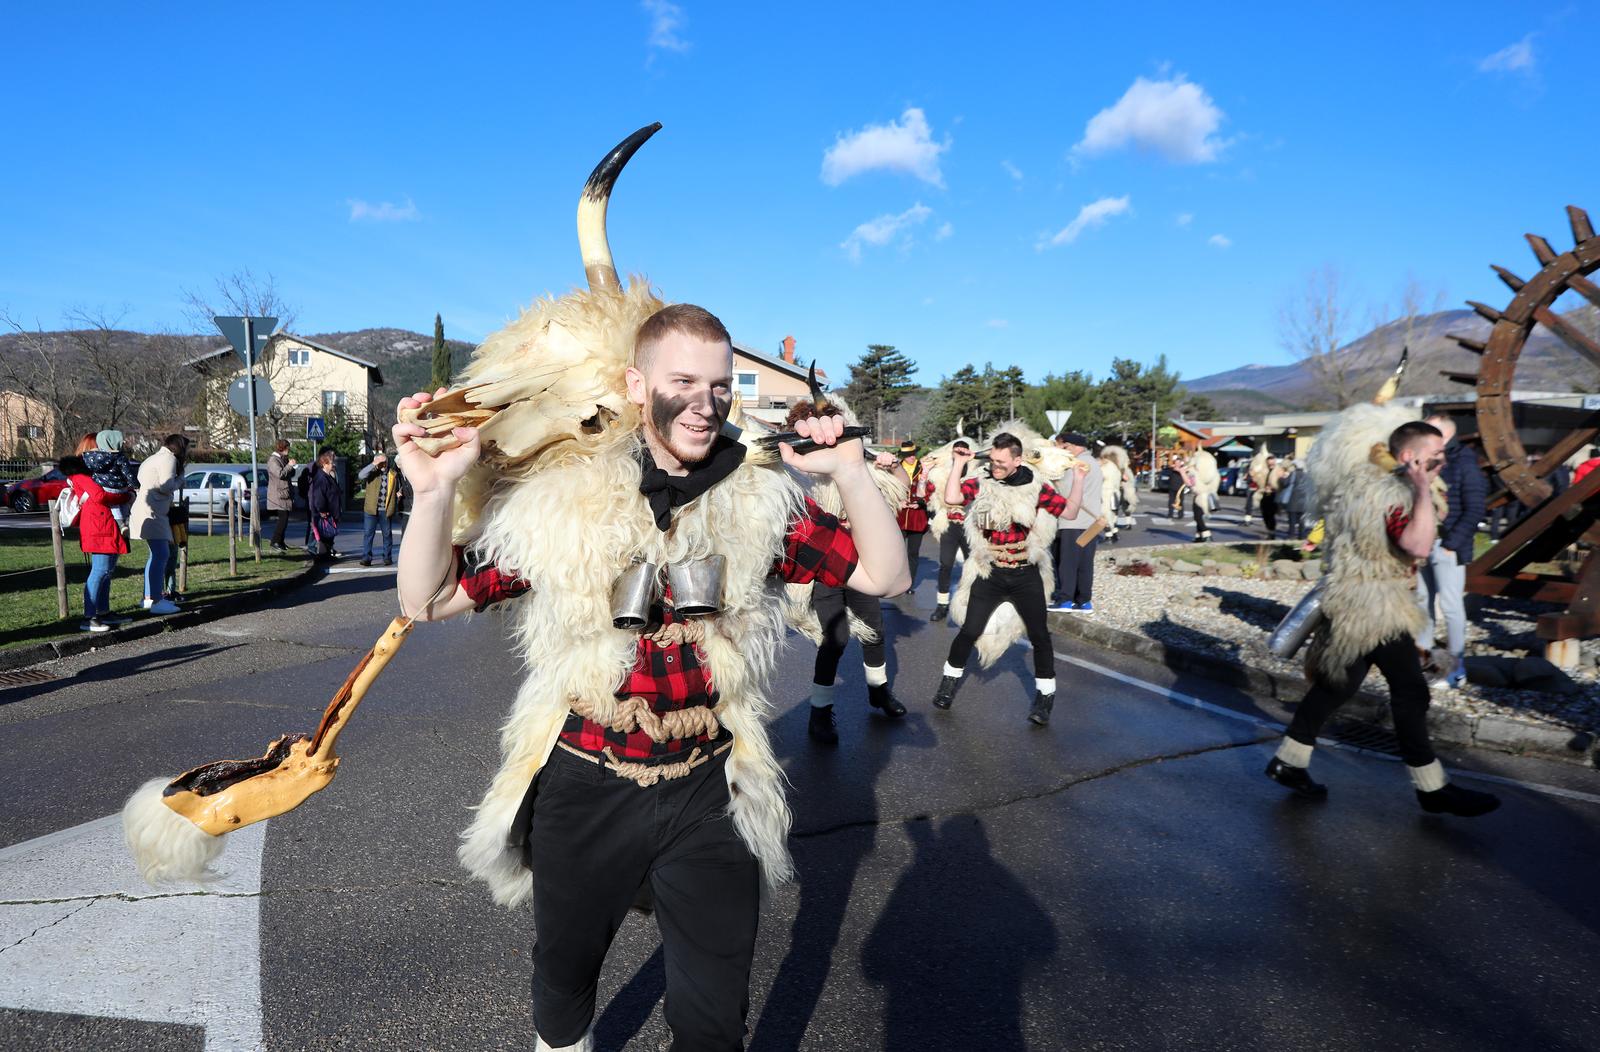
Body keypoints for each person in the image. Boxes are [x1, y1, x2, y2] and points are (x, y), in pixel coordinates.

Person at [395, 301, 909, 1052]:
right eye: (683, 382)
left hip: (708, 781)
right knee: (564, 980)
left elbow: (884, 577)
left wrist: (851, 474)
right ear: (636, 385)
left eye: (720, 386)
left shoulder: (758, 498)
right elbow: (427, 598)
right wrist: (435, 492)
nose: (705, 406)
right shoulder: (562, 501)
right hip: (588, 777)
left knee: (712, 1014)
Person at [1264, 412, 1499, 817]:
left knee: (1337, 686)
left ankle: (1289, 760)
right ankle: (1431, 787)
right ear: (1409, 456)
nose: (1443, 462)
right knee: (1411, 690)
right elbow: (1417, 545)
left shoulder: (1359, 483)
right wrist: (1423, 489)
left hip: (1353, 597)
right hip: (1377, 605)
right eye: (1436, 456)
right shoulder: (1391, 492)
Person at [787, 406, 910, 745]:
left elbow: (901, 490)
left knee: (874, 630)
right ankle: (820, 712)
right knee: (835, 639)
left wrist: (895, 466)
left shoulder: (855, 459)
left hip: (861, 561)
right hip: (825, 567)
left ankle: (879, 692)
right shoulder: (797, 471)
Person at [932, 432, 1069, 725]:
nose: (995, 466)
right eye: (992, 460)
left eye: (1001, 462)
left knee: (1040, 637)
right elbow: (952, 498)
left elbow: (1066, 511)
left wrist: (1079, 482)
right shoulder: (983, 482)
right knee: (969, 631)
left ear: (1017, 460)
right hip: (990, 571)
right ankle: (947, 685)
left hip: (1025, 573)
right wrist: (958, 464)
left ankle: (1045, 699)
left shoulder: (1035, 486)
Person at [1415, 414, 1486, 689]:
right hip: (1423, 541)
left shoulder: (1465, 463)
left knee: (1451, 606)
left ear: (1444, 436)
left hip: (1447, 544)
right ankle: (1424, 662)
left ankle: (1455, 668)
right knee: (1422, 602)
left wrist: (1451, 544)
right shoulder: (1426, 461)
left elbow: (1476, 508)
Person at [60, 454, 134, 632]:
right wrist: (124, 496)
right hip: (98, 527)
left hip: (100, 525)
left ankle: (103, 611)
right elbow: (99, 495)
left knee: (106, 572)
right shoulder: (82, 477)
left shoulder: (80, 477)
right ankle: (90, 616)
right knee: (100, 571)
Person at [128, 434, 188, 615]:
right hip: (154, 512)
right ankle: (156, 600)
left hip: (146, 509)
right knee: (161, 555)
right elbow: (166, 486)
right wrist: (181, 479)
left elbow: (141, 479)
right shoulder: (168, 459)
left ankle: (149, 597)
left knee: (156, 556)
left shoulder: (152, 458)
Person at [1048, 432, 1101, 613]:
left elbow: (1066, 490)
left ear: (1071, 446)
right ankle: (1084, 601)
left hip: (1073, 522)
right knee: (1085, 563)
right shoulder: (1093, 462)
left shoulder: (1076, 465)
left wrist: (1053, 478)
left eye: (1062, 446)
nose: (1061, 450)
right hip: (1091, 523)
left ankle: (1064, 600)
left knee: (1068, 563)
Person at [79, 430, 138, 532]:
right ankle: (126, 521)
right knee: (124, 505)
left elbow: (89, 476)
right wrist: (136, 485)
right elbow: (128, 473)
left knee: (114, 506)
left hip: (103, 486)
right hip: (120, 487)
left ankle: (121, 524)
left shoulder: (92, 458)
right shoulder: (119, 457)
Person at [893, 439, 930, 591]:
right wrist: (897, 502)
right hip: (899, 516)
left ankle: (909, 584)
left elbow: (932, 489)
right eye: (908, 455)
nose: (912, 457)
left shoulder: (924, 469)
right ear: (903, 455)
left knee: (913, 553)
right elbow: (887, 489)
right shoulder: (895, 468)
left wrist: (921, 502)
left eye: (913, 454)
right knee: (898, 553)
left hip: (917, 517)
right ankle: (897, 582)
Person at [358, 450, 402, 566]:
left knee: (387, 535)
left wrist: (398, 492)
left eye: (385, 461)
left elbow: (398, 487)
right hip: (371, 509)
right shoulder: (372, 472)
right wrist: (374, 464)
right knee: (368, 534)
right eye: (381, 462)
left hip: (386, 510)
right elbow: (360, 475)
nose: (384, 464)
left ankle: (387, 557)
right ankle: (366, 558)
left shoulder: (393, 474)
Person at [306, 449, 342, 562]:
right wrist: (322, 510)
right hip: (325, 512)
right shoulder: (321, 478)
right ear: (324, 464)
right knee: (325, 535)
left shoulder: (327, 476)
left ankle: (327, 555)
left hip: (331, 511)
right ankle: (323, 557)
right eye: (331, 463)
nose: (333, 464)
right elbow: (319, 496)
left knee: (329, 536)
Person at [266, 439, 298, 553]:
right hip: (277, 495)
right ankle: (274, 541)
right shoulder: (273, 461)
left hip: (284, 494)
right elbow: (280, 474)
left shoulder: (282, 459)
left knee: (285, 518)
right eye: (287, 448)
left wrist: (292, 466)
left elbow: (289, 473)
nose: (288, 451)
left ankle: (281, 541)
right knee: (283, 519)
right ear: (282, 448)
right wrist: (289, 466)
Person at [1187, 447, 1219, 543]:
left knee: (1197, 516)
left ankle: (1206, 533)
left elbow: (1190, 484)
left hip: (1199, 496)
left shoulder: (1193, 472)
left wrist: (1183, 472)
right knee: (1198, 515)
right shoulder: (1213, 473)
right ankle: (1199, 535)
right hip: (1207, 494)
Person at [1279, 457, 1309, 540]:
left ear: (1295, 466)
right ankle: (1301, 537)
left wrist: (1281, 478)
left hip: (1293, 501)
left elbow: (1285, 483)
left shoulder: (1293, 474)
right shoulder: (1307, 475)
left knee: (1292, 521)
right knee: (1302, 522)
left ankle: (1291, 536)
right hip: (1304, 502)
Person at [1259, 455, 1282, 536]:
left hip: (1274, 494)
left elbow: (1281, 483)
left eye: (1272, 463)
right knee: (1264, 511)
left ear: (1275, 462)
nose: (1270, 465)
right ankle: (1269, 528)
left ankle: (1272, 530)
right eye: (1269, 463)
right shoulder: (1266, 470)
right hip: (1265, 493)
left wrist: (1273, 487)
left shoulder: (1278, 470)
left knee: (1270, 513)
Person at [1167, 453, 1187, 519]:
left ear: (1180, 463)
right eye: (1176, 462)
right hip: (1172, 487)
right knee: (1171, 501)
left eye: (1178, 463)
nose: (1177, 464)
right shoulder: (1173, 469)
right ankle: (1170, 514)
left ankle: (1180, 515)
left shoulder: (1182, 469)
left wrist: (1182, 469)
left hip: (1180, 488)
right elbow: (1173, 468)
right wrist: (1180, 469)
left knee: (1181, 502)